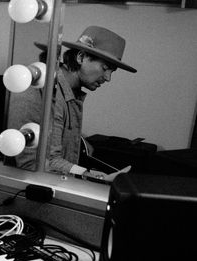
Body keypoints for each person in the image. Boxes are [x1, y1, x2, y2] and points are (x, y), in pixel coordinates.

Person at [8, 26, 136, 181]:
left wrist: (79, 142)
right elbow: (31, 163)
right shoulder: (39, 91)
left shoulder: (69, 93)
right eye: (105, 68)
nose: (108, 78)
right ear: (81, 57)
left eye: (112, 72)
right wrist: (90, 176)